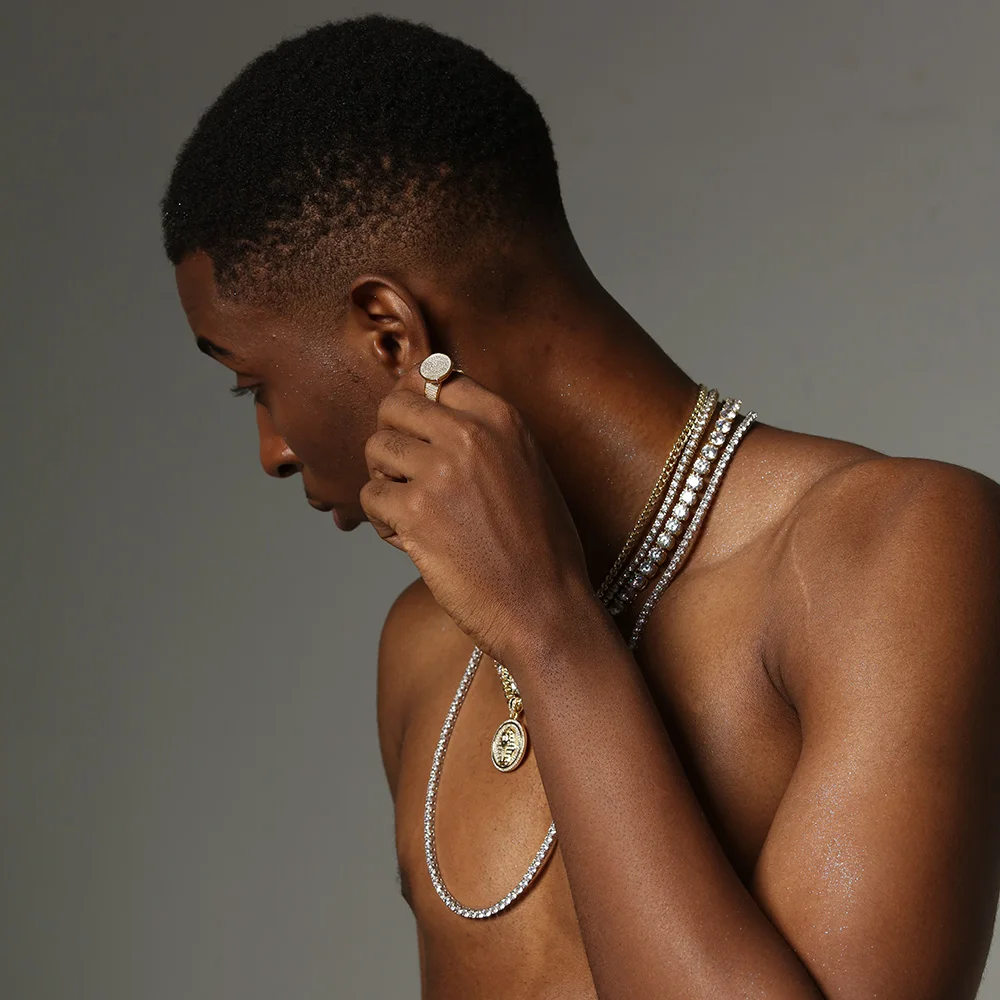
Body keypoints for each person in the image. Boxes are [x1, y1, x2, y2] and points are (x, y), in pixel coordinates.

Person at [160, 13, 1000, 999]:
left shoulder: (895, 552)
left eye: (253, 384)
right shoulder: (423, 650)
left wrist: (552, 634)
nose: (271, 451)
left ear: (389, 333)